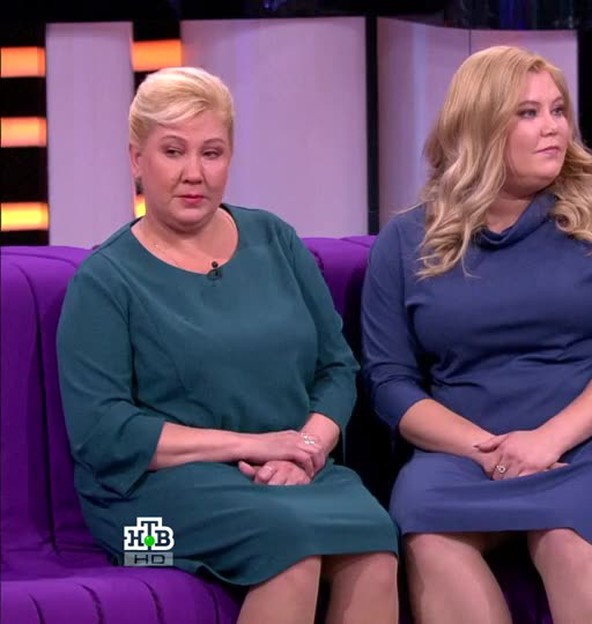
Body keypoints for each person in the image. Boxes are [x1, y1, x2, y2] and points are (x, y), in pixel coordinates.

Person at [56, 67, 399, 624]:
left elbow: (336, 367)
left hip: (295, 473)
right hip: (145, 510)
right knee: (288, 548)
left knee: (376, 545)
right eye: (173, 152)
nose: (194, 173)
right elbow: (105, 433)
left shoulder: (275, 239)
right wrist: (256, 446)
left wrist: (307, 449)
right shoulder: (105, 280)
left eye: (211, 153)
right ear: (137, 160)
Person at [361, 46, 592, 623]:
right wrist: (486, 451)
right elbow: (390, 382)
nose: (553, 127)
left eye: (558, 110)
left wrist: (548, 440)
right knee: (429, 529)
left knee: (565, 539)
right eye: (529, 113)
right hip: (461, 452)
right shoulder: (408, 239)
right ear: (480, 127)